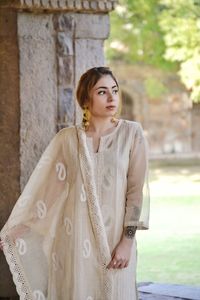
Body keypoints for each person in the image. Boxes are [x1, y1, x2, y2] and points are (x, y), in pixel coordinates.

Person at [0, 66, 150, 300]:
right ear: (85, 99)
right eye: (102, 92)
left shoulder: (131, 134)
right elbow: (49, 192)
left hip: (115, 241)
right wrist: (22, 228)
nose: (112, 98)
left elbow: (135, 192)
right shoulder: (67, 139)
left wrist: (127, 241)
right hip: (75, 240)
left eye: (115, 90)